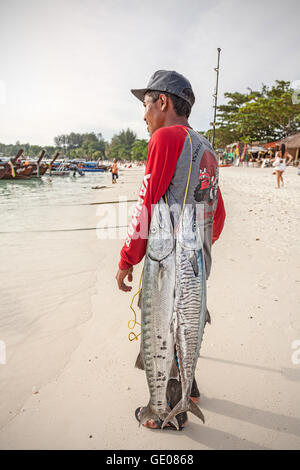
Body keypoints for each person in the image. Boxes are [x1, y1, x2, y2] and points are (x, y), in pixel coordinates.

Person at [115, 70, 226, 429]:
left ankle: (166, 412)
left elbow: (145, 205)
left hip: (169, 262)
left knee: (162, 326)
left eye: (146, 105)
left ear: (162, 101)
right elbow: (217, 214)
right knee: (187, 324)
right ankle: (189, 387)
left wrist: (127, 259)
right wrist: (198, 247)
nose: (143, 115)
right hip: (196, 261)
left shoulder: (164, 138)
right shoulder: (206, 146)